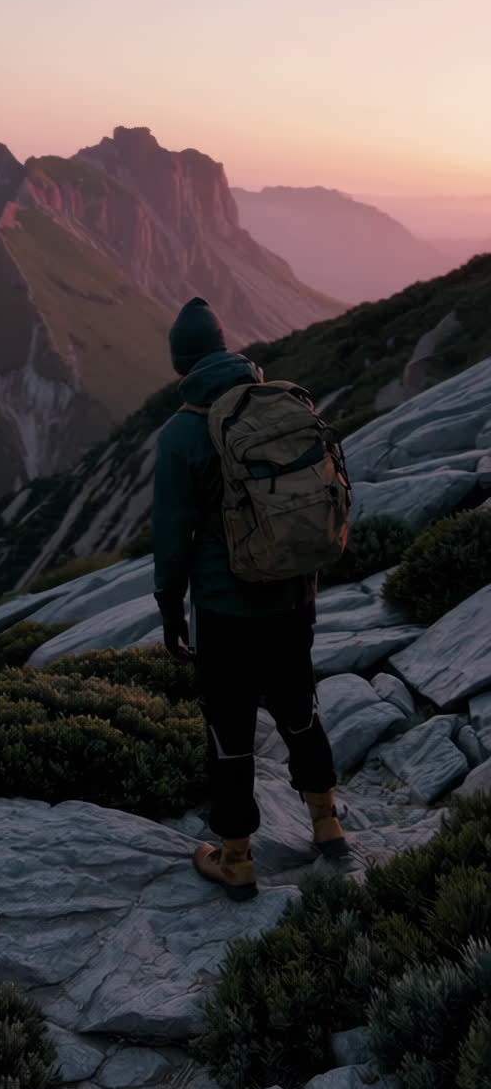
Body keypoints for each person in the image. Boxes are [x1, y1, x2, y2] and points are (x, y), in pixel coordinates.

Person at [152, 297, 348, 901]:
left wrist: (170, 612)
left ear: (181, 364)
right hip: (295, 595)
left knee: (229, 728)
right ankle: (326, 823)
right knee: (299, 705)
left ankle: (235, 858)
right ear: (227, 349)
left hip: (225, 607)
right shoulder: (288, 403)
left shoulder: (182, 433)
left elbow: (172, 542)